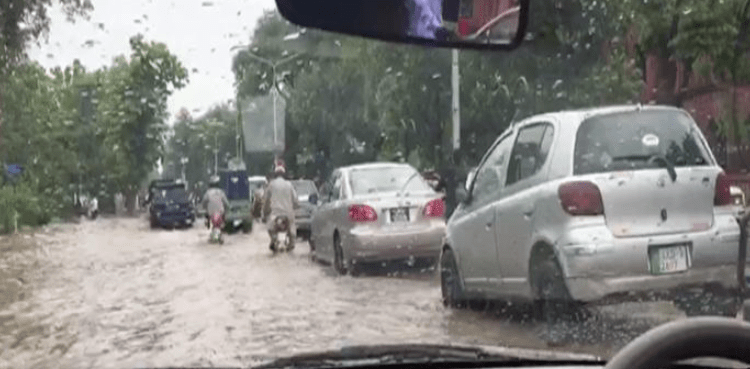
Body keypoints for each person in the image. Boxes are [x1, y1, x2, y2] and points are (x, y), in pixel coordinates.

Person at [263, 165, 300, 251]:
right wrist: (295, 207)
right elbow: (296, 201)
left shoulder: (271, 185)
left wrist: (264, 214)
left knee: (270, 228)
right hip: (288, 214)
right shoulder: (289, 185)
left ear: (275, 175)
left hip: (274, 215)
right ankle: (291, 244)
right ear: (284, 175)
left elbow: (266, 201)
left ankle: (274, 240)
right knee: (292, 230)